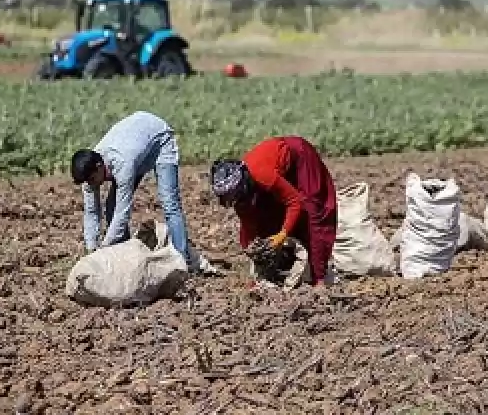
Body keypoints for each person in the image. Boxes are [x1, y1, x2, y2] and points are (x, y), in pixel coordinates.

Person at [210, 136, 337, 286]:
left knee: (312, 210)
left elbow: (294, 202)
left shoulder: (262, 174)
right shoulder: (240, 197)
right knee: (269, 216)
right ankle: (286, 269)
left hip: (301, 159)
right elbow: (249, 226)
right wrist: (252, 254)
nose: (234, 201)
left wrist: (283, 234)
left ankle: (319, 277)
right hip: (279, 173)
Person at [70, 111, 191, 266]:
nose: (91, 184)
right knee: (111, 206)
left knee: (169, 203)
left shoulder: (123, 164)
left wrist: (104, 247)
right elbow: (91, 211)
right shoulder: (89, 176)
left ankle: (183, 261)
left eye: (92, 180)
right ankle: (128, 257)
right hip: (136, 145)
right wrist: (91, 250)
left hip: (159, 140)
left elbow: (122, 213)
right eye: (87, 182)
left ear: (99, 167)